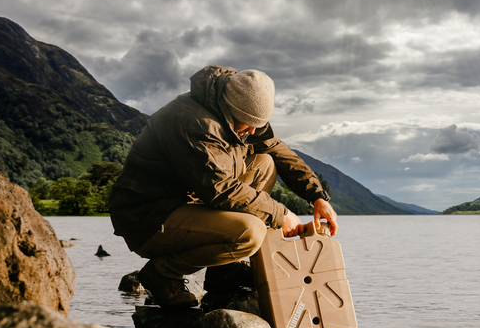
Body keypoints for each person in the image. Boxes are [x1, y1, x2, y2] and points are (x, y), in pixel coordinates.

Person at [109, 66, 337, 307]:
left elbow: (277, 150)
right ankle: (162, 273)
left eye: (258, 125)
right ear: (230, 109)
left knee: (265, 163)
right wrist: (281, 214)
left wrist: (317, 196)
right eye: (247, 124)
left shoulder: (243, 115)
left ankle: (224, 272)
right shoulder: (195, 123)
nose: (252, 131)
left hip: (189, 201)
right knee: (251, 232)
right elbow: (222, 190)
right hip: (149, 216)